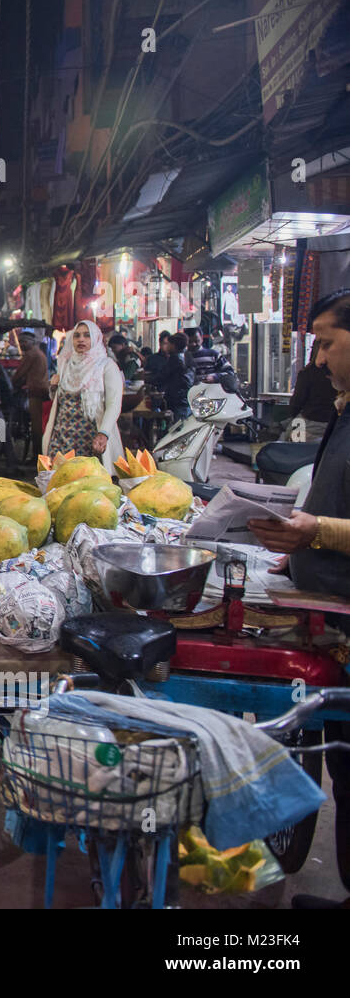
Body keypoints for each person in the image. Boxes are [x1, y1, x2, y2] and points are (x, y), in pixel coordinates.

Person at [248, 287, 350, 907]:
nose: (318, 358)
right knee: (344, 763)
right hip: (327, 607)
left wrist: (316, 532)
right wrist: (298, 545)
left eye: (328, 343)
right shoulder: (343, 410)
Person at [42, 319, 125, 468]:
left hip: (91, 439)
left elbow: (114, 404)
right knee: (59, 482)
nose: (81, 339)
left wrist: (104, 433)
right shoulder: (66, 364)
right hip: (62, 437)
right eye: (77, 335)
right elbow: (60, 400)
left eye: (87, 335)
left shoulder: (106, 366)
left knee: (89, 485)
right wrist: (54, 388)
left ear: (96, 338)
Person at [285, 347, 336, 443]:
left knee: (285, 442)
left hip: (309, 421)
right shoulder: (341, 374)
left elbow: (296, 404)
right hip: (335, 425)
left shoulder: (307, 373)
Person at [13, 331, 50, 460]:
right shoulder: (38, 353)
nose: (22, 344)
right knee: (38, 425)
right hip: (41, 391)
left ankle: (37, 456)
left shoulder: (31, 354)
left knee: (36, 426)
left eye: (24, 342)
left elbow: (19, 373)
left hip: (36, 392)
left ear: (30, 342)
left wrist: (13, 383)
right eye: (20, 341)